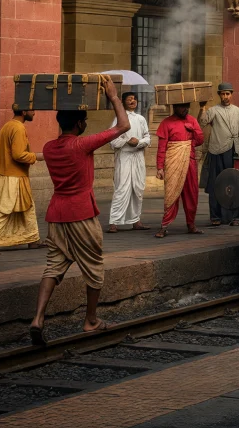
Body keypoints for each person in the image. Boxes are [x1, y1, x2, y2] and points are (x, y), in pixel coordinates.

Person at [30, 76, 130, 345]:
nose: (86, 124)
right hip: (81, 213)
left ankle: (38, 319)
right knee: (94, 268)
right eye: (83, 120)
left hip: (56, 214)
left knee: (53, 266)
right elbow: (124, 125)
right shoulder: (81, 144)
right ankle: (91, 320)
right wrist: (112, 96)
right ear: (78, 124)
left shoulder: (49, 147)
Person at [0, 107, 42, 255]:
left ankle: (33, 239)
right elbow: (19, 155)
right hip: (12, 176)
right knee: (5, 209)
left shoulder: (9, 125)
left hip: (9, 174)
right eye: (32, 110)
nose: (34, 113)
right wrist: (36, 157)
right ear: (23, 112)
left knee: (28, 207)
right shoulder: (18, 128)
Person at [200, 83, 239, 227]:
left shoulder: (237, 111)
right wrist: (202, 108)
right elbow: (202, 122)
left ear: (231, 94)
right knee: (216, 183)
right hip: (217, 151)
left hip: (234, 151)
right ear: (219, 95)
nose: (225, 97)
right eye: (223, 94)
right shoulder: (214, 110)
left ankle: (234, 217)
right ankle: (215, 216)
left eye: (228, 94)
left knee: (235, 184)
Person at [156, 101, 204, 237]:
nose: (185, 109)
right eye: (182, 106)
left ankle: (191, 224)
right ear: (174, 107)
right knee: (171, 192)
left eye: (187, 106)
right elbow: (161, 147)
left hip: (190, 161)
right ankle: (164, 226)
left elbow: (200, 140)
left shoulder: (192, 120)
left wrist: (193, 129)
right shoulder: (166, 123)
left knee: (192, 193)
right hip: (173, 161)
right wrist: (160, 167)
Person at [108, 92, 151, 232]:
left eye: (134, 99)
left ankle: (136, 221)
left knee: (138, 188)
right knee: (122, 188)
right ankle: (114, 222)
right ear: (123, 102)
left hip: (138, 157)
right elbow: (112, 140)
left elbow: (148, 138)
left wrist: (138, 143)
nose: (133, 101)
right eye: (129, 99)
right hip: (124, 156)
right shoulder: (119, 119)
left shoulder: (140, 119)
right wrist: (127, 141)